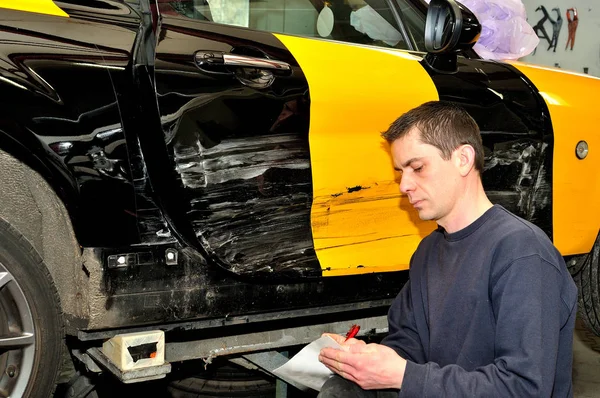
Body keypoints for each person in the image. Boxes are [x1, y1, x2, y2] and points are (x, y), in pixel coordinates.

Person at [318, 101, 577, 397]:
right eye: (400, 172)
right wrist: (368, 360)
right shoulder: (427, 252)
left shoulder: (522, 253)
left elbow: (523, 388)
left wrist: (406, 376)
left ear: (463, 159)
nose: (404, 185)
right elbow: (409, 343)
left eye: (417, 167)